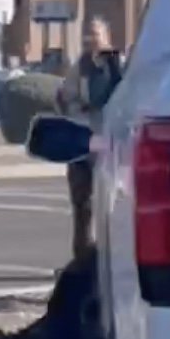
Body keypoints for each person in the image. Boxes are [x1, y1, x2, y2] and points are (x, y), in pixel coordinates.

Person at [55, 16, 125, 260]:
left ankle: (112, 254)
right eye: (87, 35)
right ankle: (83, 256)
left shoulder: (119, 65)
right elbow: (67, 98)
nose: (91, 39)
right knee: (82, 203)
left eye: (95, 34)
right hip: (83, 141)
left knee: (113, 203)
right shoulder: (79, 67)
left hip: (112, 143)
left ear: (106, 36)